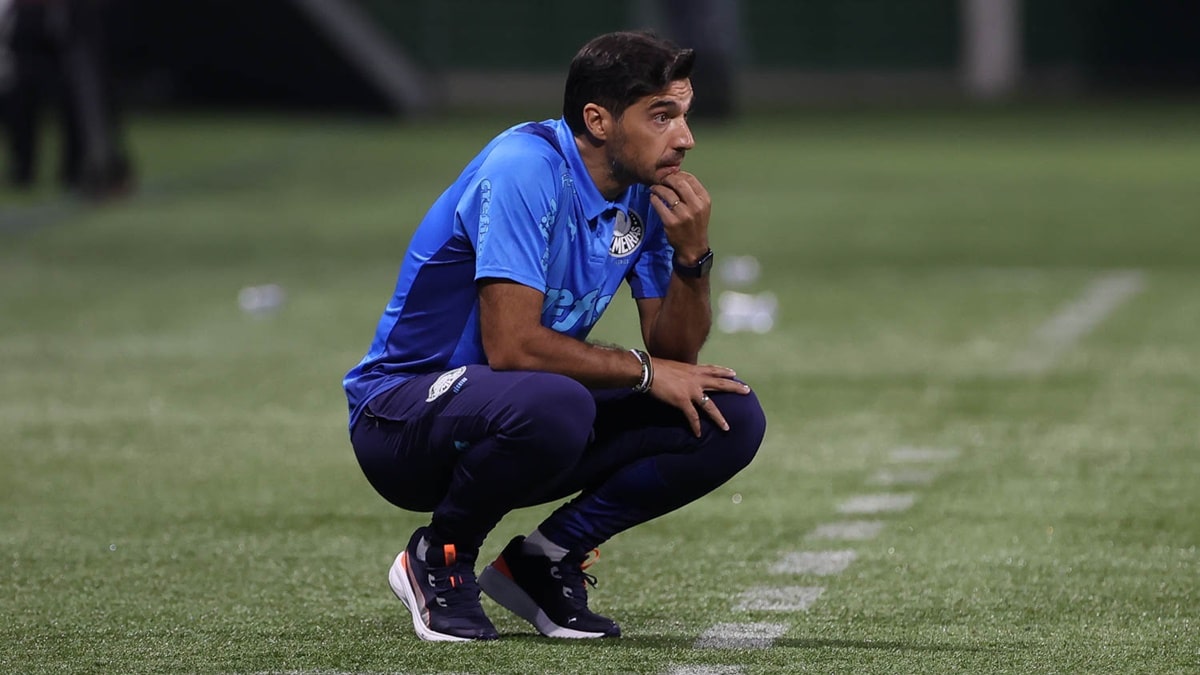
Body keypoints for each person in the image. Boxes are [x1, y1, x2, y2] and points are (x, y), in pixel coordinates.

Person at [343, 30, 766, 643]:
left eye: (684, 115)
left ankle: (543, 561)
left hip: (521, 411)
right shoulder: (526, 168)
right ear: (598, 119)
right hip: (401, 418)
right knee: (556, 401)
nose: (685, 137)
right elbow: (512, 347)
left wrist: (692, 259)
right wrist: (644, 371)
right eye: (662, 116)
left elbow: (676, 358)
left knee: (725, 413)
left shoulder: (644, 195)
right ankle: (440, 557)